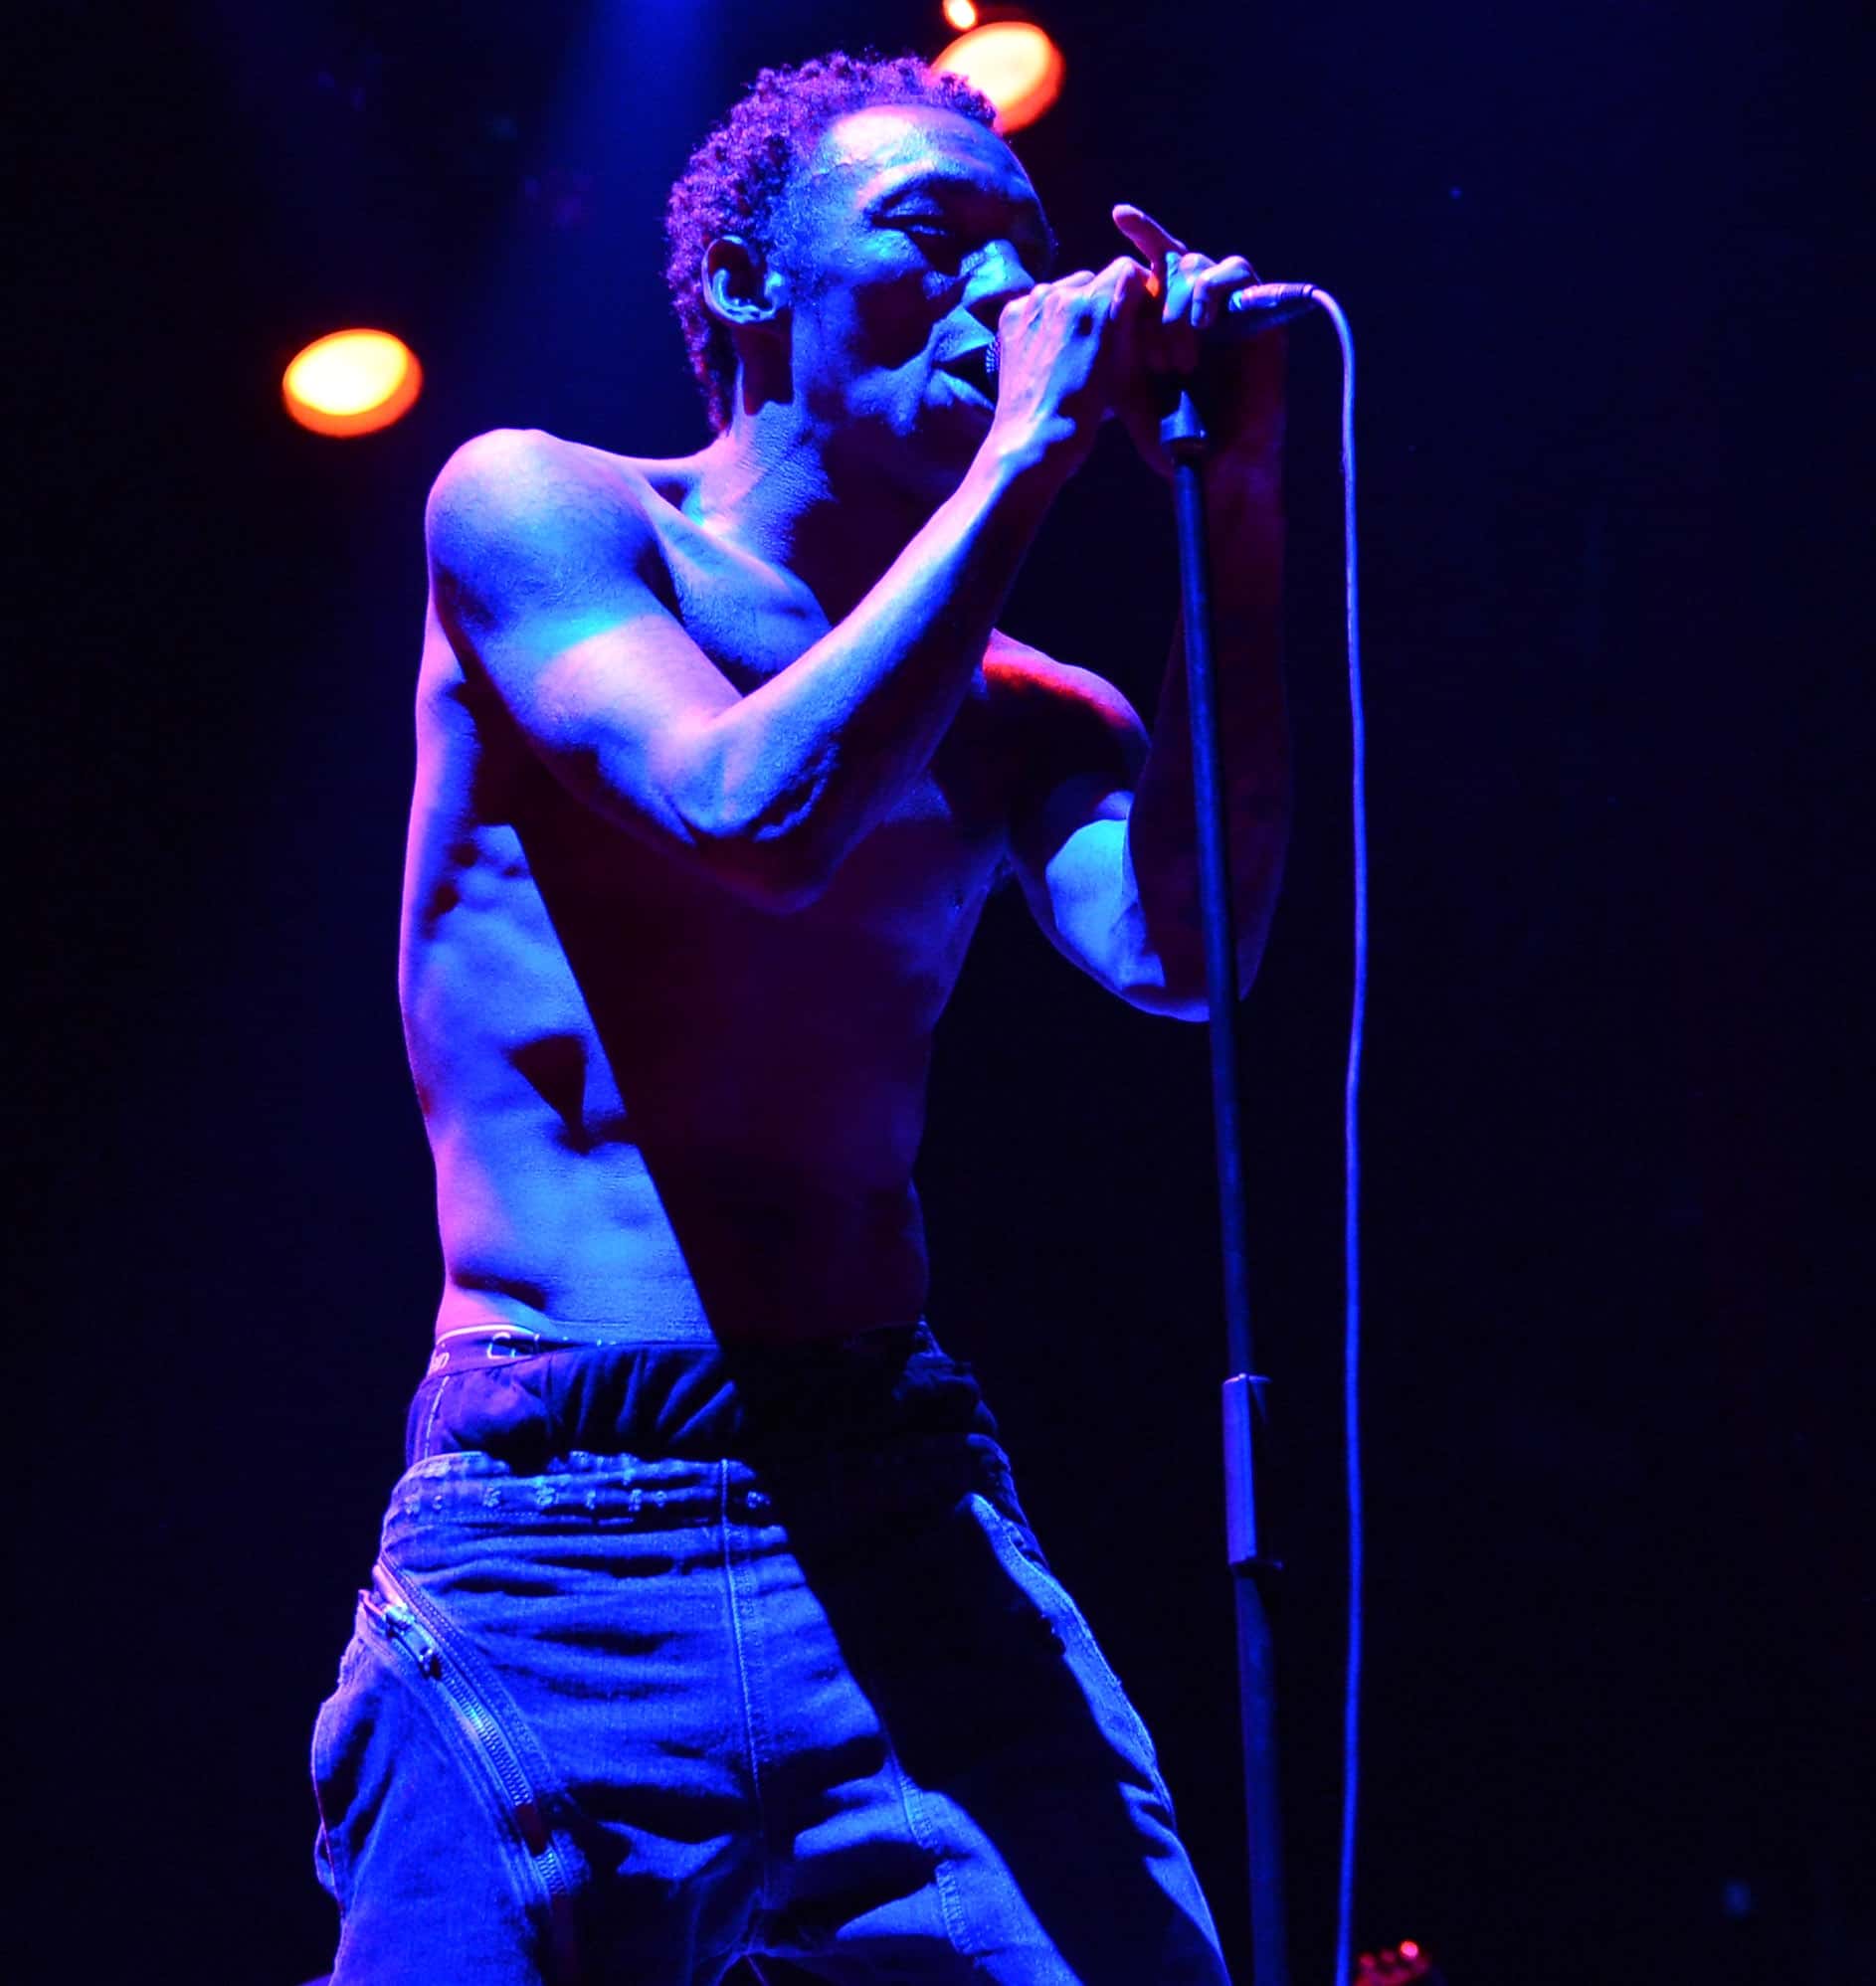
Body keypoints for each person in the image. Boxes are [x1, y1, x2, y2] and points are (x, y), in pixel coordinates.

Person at [303, 51, 1290, 1985]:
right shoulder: (541, 511)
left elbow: (1184, 952)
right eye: (938, 237)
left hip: (895, 1492)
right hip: (558, 1513)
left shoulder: (1031, 714)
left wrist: (1241, 502)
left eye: (1031, 252)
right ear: (750, 283)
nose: (1012, 292)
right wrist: (1028, 456)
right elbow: (750, 809)